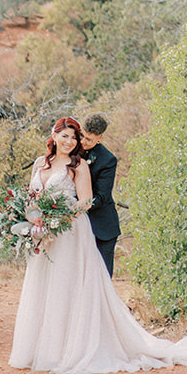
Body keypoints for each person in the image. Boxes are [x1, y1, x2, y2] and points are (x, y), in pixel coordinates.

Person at [8, 117, 187, 374]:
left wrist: (55, 222)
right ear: (54, 136)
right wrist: (34, 222)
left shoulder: (79, 165)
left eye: (73, 138)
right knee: (44, 286)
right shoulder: (40, 163)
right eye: (65, 136)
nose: (70, 141)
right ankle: (40, 348)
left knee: (68, 286)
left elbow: (85, 201)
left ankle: (68, 350)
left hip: (69, 231)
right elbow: (32, 196)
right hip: (43, 234)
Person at [78, 113, 120, 276]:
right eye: (82, 135)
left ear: (100, 139)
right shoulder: (70, 147)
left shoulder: (108, 160)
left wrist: (76, 206)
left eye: (89, 139)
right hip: (76, 227)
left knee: (100, 277)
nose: (83, 142)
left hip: (102, 227)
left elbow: (101, 197)